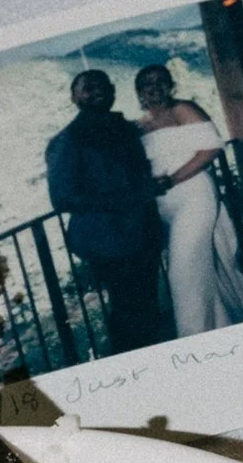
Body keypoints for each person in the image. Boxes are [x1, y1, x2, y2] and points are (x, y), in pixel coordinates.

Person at [43, 69, 168, 351]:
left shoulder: (123, 128)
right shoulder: (67, 141)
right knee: (128, 312)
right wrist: (129, 197)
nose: (97, 90)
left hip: (142, 231)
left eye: (103, 84)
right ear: (74, 97)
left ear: (113, 91)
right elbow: (63, 198)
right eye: (88, 87)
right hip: (108, 240)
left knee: (146, 304)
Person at [135, 62, 243, 334]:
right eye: (147, 84)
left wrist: (173, 179)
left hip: (194, 197)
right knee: (198, 269)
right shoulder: (139, 126)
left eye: (160, 81)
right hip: (166, 206)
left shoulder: (183, 110)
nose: (154, 88)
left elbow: (212, 148)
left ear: (171, 85)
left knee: (182, 272)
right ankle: (219, 327)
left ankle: (194, 336)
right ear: (139, 93)